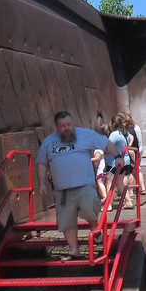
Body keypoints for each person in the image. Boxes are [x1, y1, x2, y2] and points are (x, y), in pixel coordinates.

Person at [35, 110, 121, 259]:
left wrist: (118, 156)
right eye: (62, 126)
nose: (67, 128)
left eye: (69, 124)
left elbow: (106, 144)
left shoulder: (85, 134)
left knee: (90, 210)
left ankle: (95, 229)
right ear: (56, 127)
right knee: (66, 221)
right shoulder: (49, 142)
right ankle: (74, 251)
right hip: (62, 190)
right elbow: (42, 163)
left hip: (85, 185)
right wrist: (41, 183)